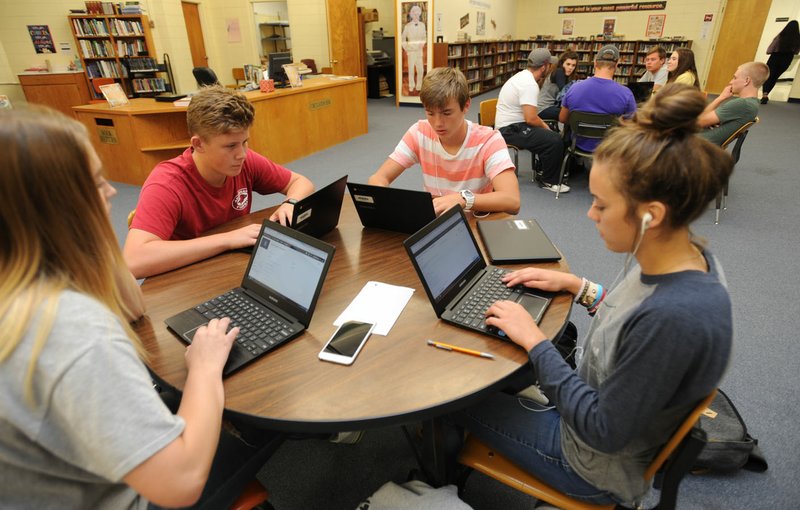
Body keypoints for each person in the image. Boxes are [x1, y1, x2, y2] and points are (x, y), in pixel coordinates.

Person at [450, 83, 734, 505]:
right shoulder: (682, 256)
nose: (590, 213)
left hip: (590, 460)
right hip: (603, 406)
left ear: (650, 214)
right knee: (501, 364)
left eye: (601, 204)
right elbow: (632, 317)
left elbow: (603, 428)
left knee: (455, 398)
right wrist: (579, 287)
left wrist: (535, 341)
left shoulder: (674, 318)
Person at [0, 107, 281, 509]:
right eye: (98, 183)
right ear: (60, 205)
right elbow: (180, 483)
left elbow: (133, 308)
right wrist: (204, 366)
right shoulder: (72, 330)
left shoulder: (27, 280)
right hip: (137, 497)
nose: (113, 192)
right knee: (271, 424)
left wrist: (88, 240)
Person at [124, 85, 314, 278]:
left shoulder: (244, 161)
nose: (242, 154)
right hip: (184, 280)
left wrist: (291, 203)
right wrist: (227, 240)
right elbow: (134, 261)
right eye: (230, 145)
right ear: (198, 144)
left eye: (245, 142)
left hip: (229, 269)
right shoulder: (167, 184)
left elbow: (300, 182)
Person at [369, 66, 519, 215]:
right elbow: (379, 178)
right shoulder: (419, 133)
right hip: (435, 222)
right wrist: (384, 199)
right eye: (430, 113)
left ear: (466, 105)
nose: (437, 123)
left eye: (446, 113)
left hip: (474, 223)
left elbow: (512, 200)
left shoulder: (489, 140)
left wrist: (463, 199)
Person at [495, 48, 566, 194]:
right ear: (544, 66)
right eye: (550, 66)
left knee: (547, 135)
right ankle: (549, 180)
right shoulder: (529, 84)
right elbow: (531, 118)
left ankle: (544, 171)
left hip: (512, 124)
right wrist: (546, 128)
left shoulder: (523, 76)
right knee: (555, 140)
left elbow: (530, 116)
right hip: (509, 130)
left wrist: (545, 128)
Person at [560, 44, 637, 153]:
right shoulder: (626, 94)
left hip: (577, 145)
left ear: (595, 63)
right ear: (617, 65)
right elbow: (632, 126)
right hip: (609, 149)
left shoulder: (574, 88)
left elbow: (562, 118)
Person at [698, 61, 769, 146]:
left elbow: (698, 121)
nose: (731, 82)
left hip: (695, 143)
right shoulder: (753, 103)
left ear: (746, 80)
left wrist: (720, 98)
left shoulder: (742, 104)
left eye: (735, 78)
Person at [760, 20, 800, 104]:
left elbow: (769, 50)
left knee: (768, 76)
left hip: (775, 57)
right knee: (775, 77)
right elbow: (796, 51)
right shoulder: (797, 40)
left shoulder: (781, 36)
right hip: (787, 59)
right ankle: (767, 94)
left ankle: (765, 94)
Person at [538, 51, 579, 120]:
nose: (570, 68)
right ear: (562, 63)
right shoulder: (559, 72)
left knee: (572, 113)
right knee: (572, 115)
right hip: (543, 108)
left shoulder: (565, 75)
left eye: (573, 65)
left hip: (550, 107)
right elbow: (565, 93)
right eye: (568, 64)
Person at [401, 4, 427, 94]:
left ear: (419, 14)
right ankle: (411, 86)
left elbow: (424, 37)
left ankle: (419, 86)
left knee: (420, 70)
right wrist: (406, 48)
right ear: (411, 14)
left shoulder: (423, 25)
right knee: (411, 70)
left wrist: (423, 43)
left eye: (417, 13)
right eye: (414, 13)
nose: (415, 15)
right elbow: (402, 39)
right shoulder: (407, 26)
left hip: (419, 51)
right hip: (411, 52)